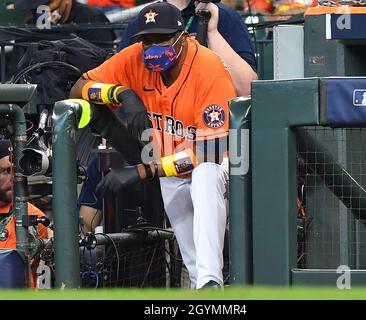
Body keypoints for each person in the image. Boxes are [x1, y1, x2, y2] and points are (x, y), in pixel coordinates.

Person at [70, 2, 236, 289]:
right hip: (169, 166)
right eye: (147, 40)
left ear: (182, 36)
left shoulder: (209, 70)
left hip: (223, 164)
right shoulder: (134, 58)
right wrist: (119, 93)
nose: (152, 47)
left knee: (203, 176)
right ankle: (208, 289)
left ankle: (210, 281)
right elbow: (79, 86)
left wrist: (143, 171)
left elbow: (210, 150)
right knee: (191, 257)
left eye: (161, 39)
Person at [118, 0, 258, 96]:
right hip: (156, 123)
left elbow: (246, 89)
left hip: (207, 121)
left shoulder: (222, 15)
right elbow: (114, 80)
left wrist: (212, 32)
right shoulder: (145, 20)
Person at [0, 140, 52, 287]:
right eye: (6, 171)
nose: (14, 178)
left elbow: (44, 278)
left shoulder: (33, 215)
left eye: (17, 171)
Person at [14, 0, 116, 47]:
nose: (41, 11)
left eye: (46, 4)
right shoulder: (28, 28)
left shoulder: (92, 18)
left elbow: (101, 64)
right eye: (34, 8)